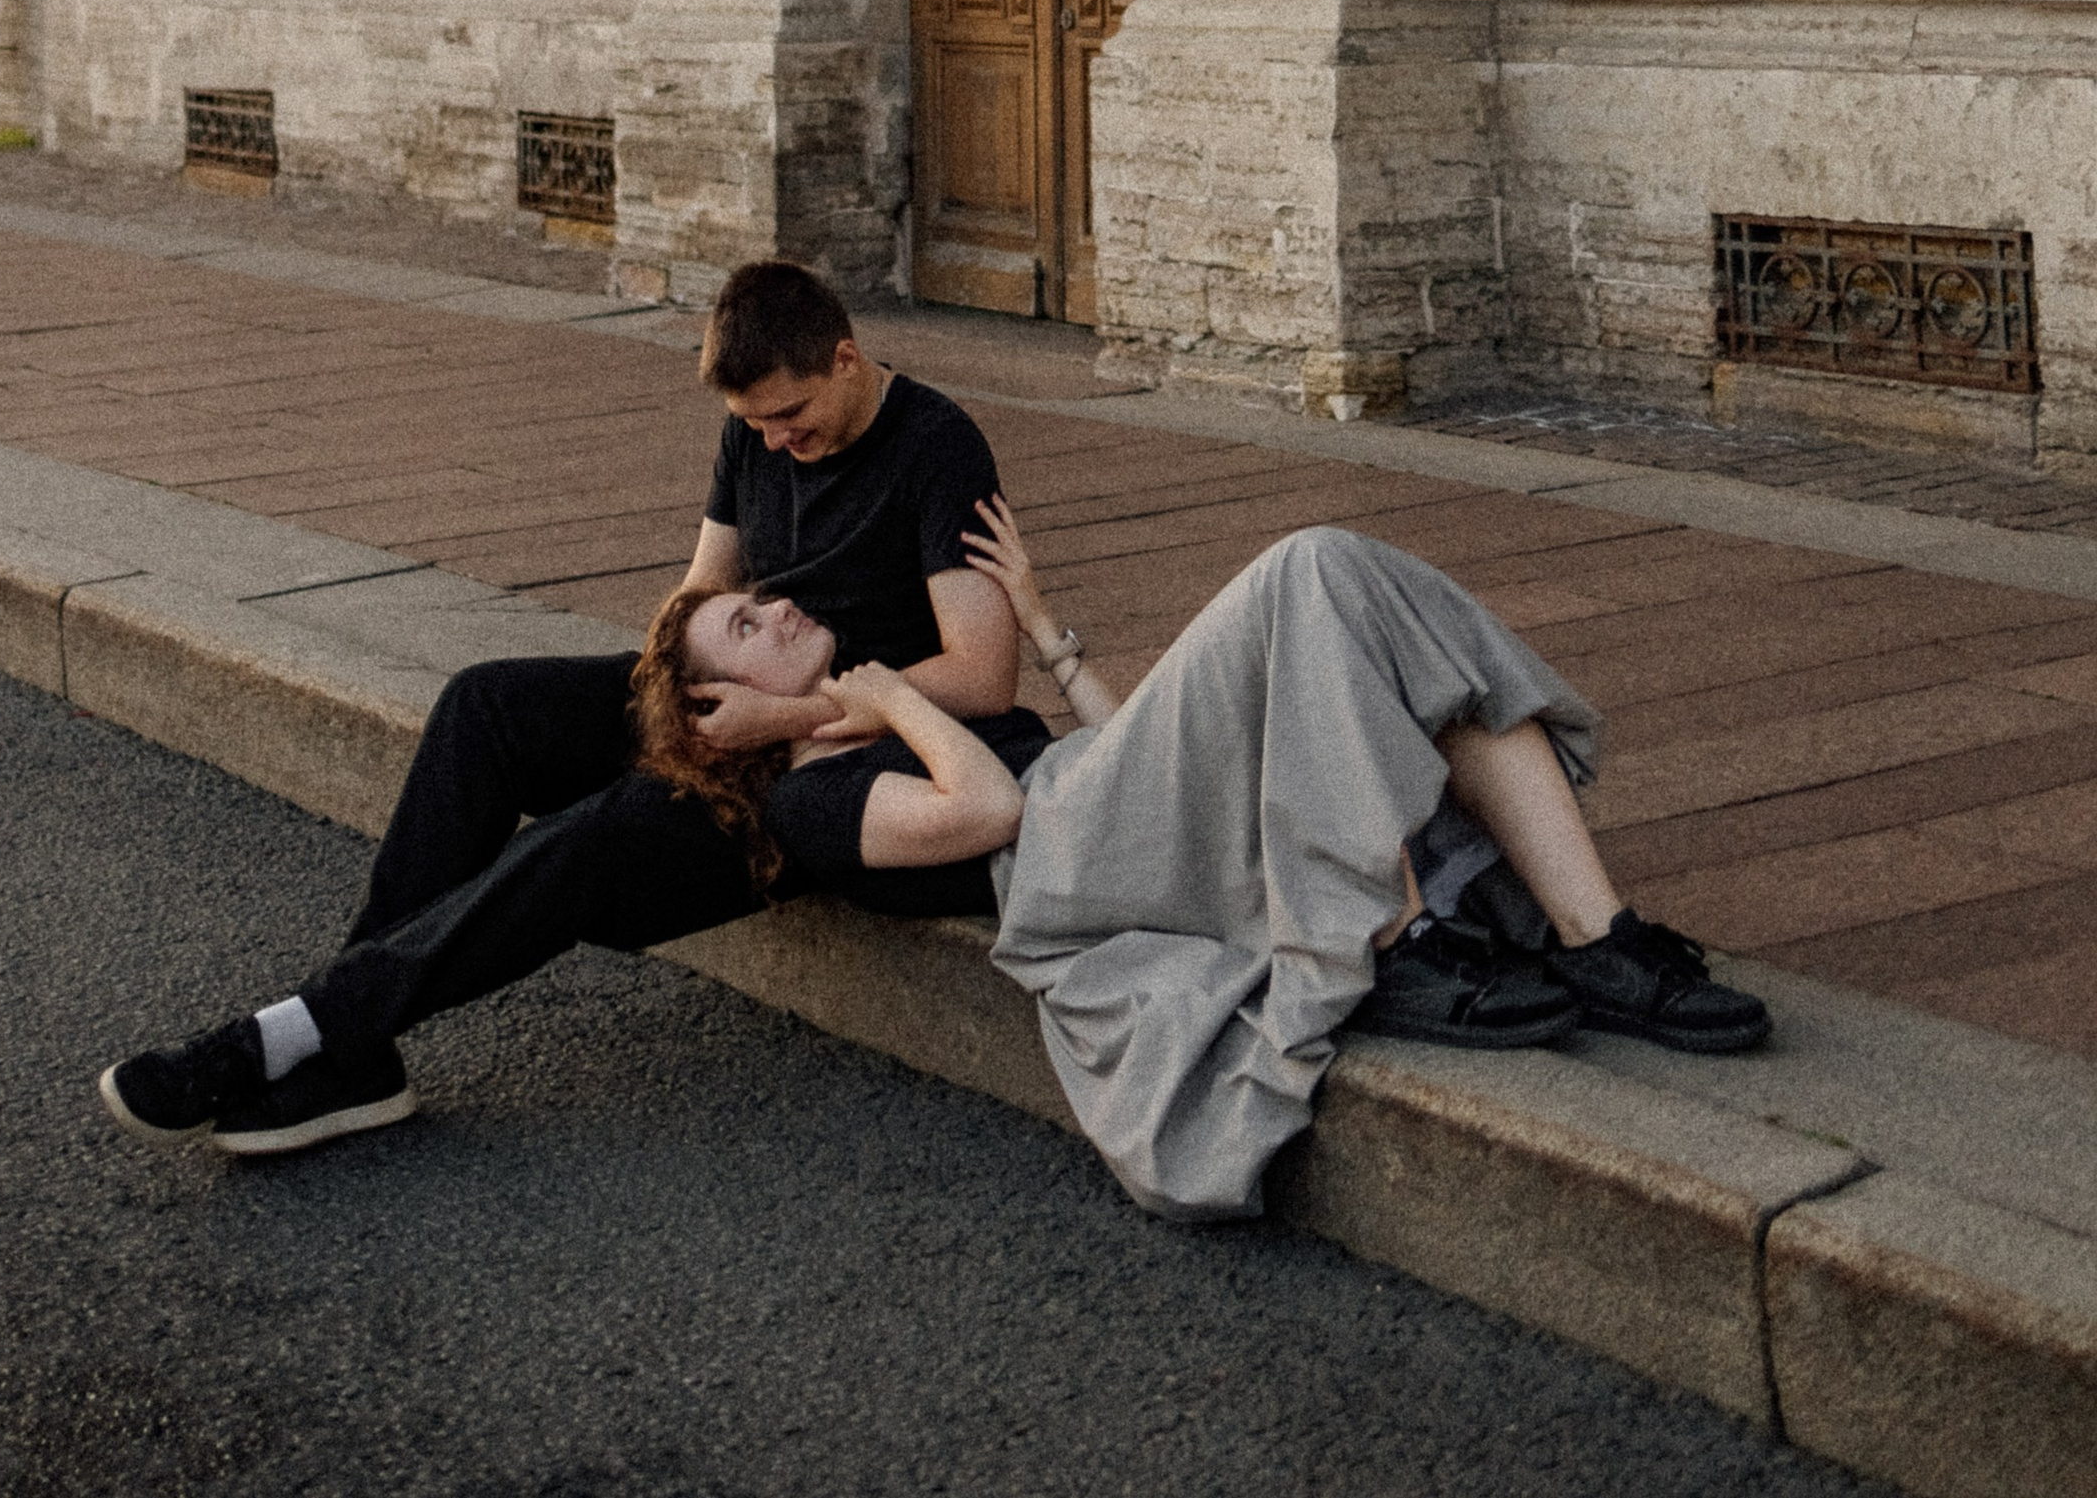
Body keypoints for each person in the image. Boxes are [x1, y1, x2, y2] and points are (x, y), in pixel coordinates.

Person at [99, 258, 1031, 1157]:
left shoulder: (935, 446)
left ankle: (293, 1032)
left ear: (845, 358)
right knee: (488, 705)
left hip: (839, 748)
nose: (777, 440)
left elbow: (983, 676)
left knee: (601, 836)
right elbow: (706, 588)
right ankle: (352, 1040)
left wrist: (776, 719)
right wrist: (677, 681)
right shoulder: (756, 426)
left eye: (792, 416)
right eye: (755, 424)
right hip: (742, 678)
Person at [628, 499, 1770, 1226]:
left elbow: (1111, 748)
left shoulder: (870, 729)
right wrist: (872, 693)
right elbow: (990, 813)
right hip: (1065, 859)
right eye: (744, 627)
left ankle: (1603, 943)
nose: (774, 610)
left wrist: (1046, 632)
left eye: (763, 599)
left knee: (1379, 624)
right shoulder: (814, 804)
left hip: (1111, 806)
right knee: (1307, 568)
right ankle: (1395, 942)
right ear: (714, 704)